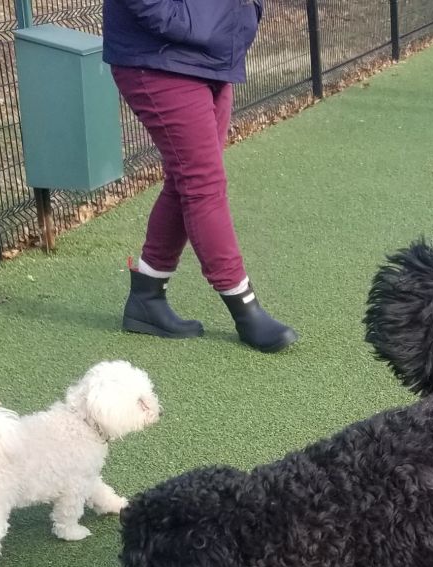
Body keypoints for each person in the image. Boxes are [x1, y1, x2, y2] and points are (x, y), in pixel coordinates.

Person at [103, 0, 299, 353]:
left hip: (212, 52)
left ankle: (146, 297)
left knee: (186, 180)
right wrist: (188, 22)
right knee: (203, 184)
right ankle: (245, 308)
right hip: (160, 55)